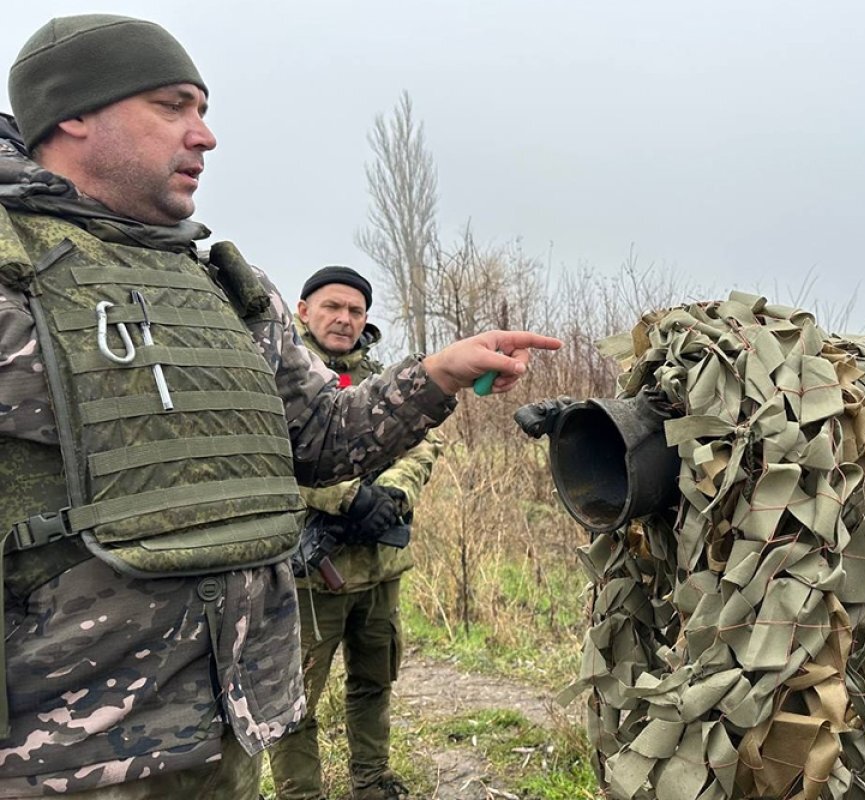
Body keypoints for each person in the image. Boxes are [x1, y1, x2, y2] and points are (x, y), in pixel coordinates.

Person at [0, 14, 559, 799]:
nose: (205, 137)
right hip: (55, 759)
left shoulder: (223, 285)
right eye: (174, 106)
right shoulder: (11, 272)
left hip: (230, 732)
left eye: (204, 109)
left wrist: (438, 373)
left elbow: (322, 440)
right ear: (73, 114)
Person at [268, 267, 439, 800]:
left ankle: (371, 780)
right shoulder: (275, 372)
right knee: (295, 700)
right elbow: (265, 460)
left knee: (373, 680)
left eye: (356, 311)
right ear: (302, 311)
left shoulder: (383, 375)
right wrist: (345, 497)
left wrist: (392, 494)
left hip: (379, 566)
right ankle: (301, 793)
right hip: (308, 578)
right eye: (332, 307)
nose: (344, 319)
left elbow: (423, 443)